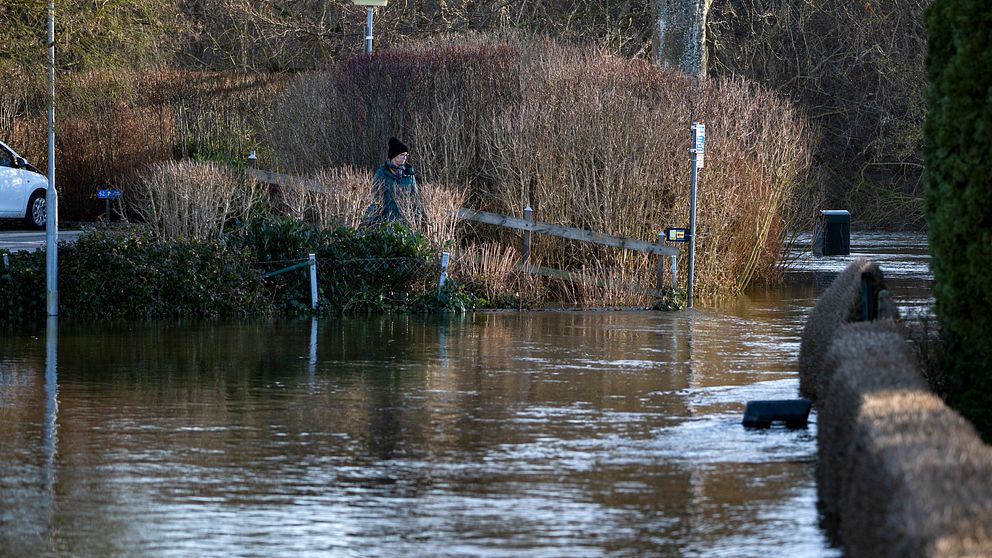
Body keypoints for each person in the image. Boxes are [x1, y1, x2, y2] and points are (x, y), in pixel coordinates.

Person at [368, 136, 418, 225]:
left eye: (406, 155)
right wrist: (373, 222)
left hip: (406, 222)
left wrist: (416, 217)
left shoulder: (409, 174)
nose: (404, 158)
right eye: (401, 155)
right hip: (386, 222)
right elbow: (375, 198)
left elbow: (415, 197)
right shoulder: (382, 173)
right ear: (394, 155)